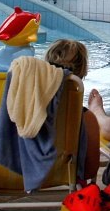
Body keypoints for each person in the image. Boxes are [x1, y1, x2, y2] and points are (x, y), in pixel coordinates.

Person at [42, 39, 101, 184]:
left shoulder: (24, 112)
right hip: (67, 178)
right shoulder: (86, 119)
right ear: (82, 72)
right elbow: (90, 170)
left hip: (22, 177)